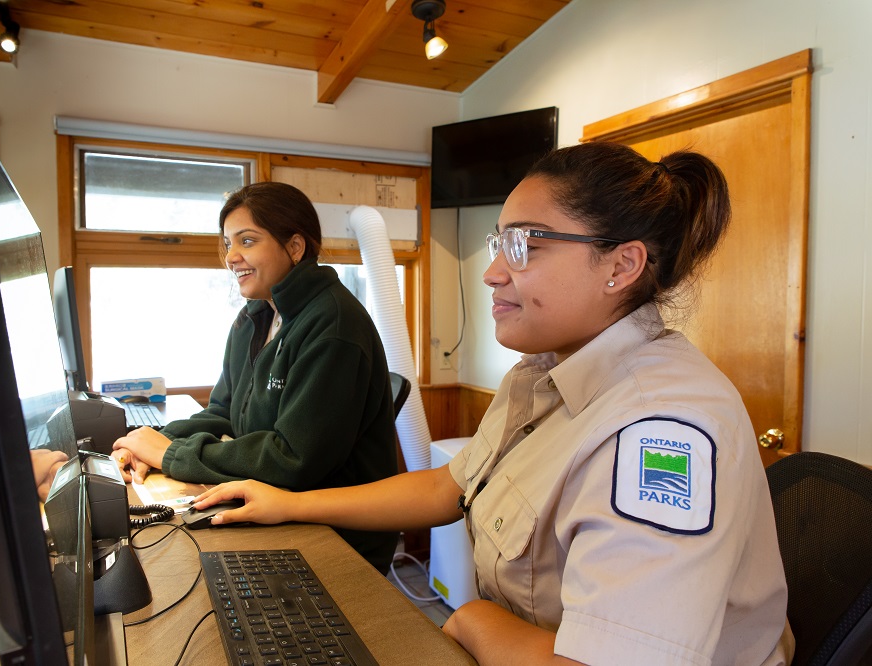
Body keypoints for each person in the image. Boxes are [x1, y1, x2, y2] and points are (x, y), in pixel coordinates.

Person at [189, 143, 795, 665]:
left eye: (523, 245)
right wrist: (287, 503)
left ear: (621, 265)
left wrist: (472, 620)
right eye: (496, 243)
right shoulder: (540, 372)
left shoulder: (662, 428)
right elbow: (447, 488)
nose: (492, 272)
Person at [111, 181, 399, 573]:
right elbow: (224, 411)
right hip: (277, 512)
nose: (231, 257)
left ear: (295, 248)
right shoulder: (254, 317)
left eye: (247, 241)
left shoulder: (334, 326)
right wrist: (151, 442)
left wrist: (170, 455)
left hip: (336, 537)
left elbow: (294, 459)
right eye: (228, 243)